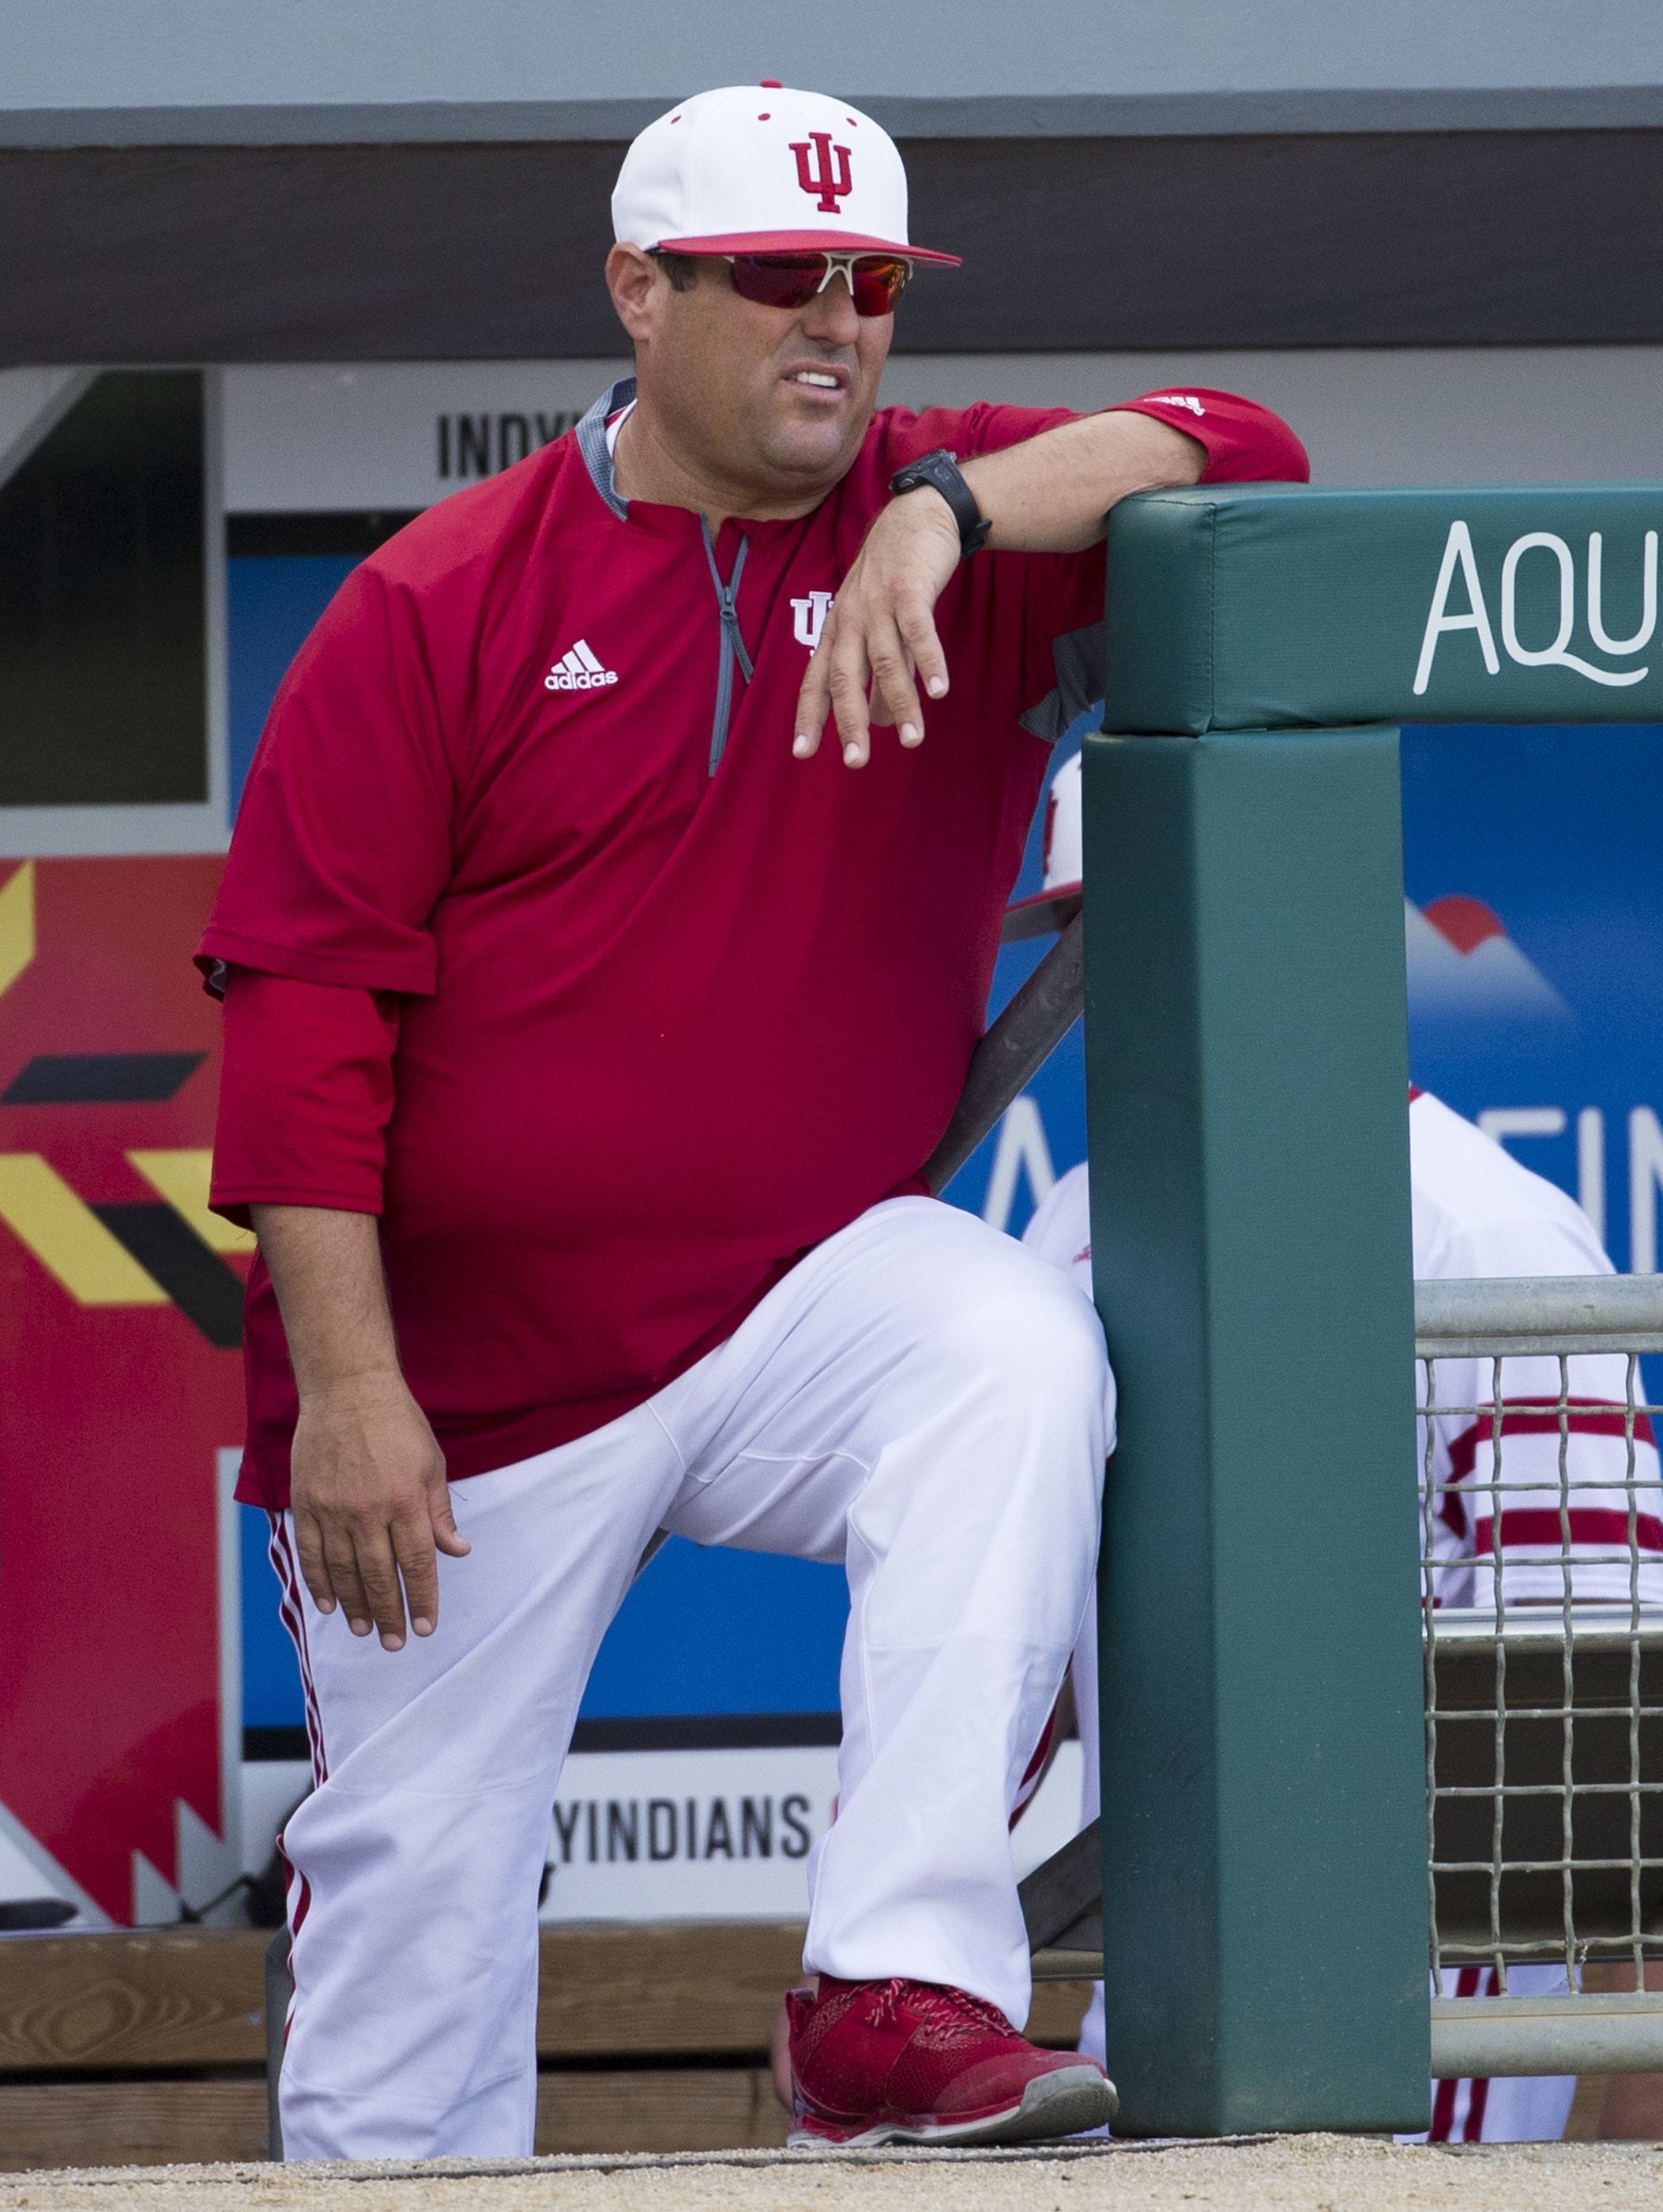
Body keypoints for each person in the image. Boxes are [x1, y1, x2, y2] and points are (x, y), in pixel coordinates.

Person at [199, 83, 1307, 2161]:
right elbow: (300, 1012)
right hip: (470, 1390)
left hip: (797, 1299)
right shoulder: (441, 597)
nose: (835, 322)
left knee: (1008, 1352)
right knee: (414, 1925)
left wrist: (949, 517)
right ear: (641, 290)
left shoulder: (957, 524)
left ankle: (894, 1995)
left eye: (872, 284)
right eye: (778, 277)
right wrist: (348, 1387)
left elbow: (1248, 448)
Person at [1017, 752, 1663, 2144]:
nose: (1099, 984)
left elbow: (1609, 1699)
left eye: (1137, 926)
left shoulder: (1485, 1231)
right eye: (1078, 943)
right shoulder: (1078, 1215)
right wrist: (864, 1945)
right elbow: (1018, 1653)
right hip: (1155, 2029)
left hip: (1414, 2041)